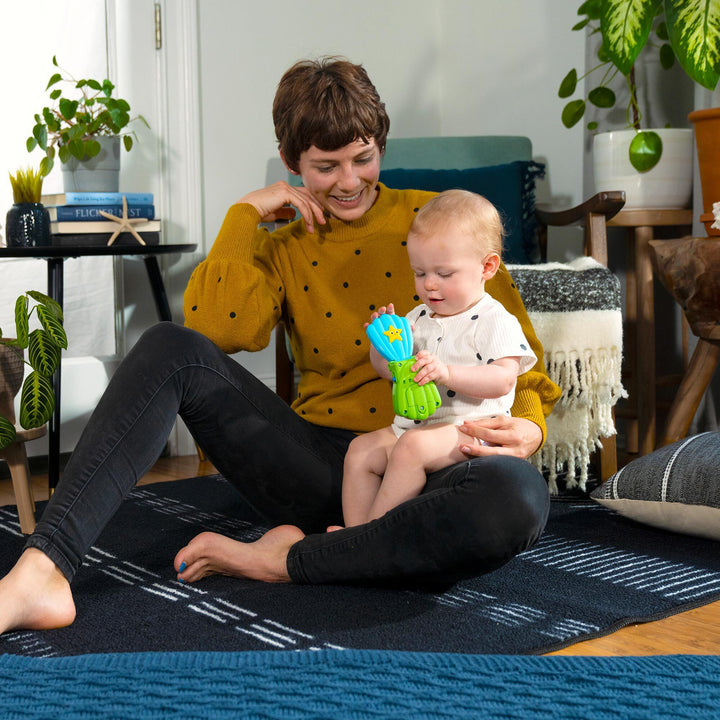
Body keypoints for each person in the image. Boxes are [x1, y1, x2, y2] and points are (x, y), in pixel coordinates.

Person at [0, 57, 560, 636]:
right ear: (293, 164)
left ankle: (284, 561)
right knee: (170, 344)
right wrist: (244, 216)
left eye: (363, 159)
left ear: (381, 148)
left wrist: (531, 429)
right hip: (322, 469)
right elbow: (218, 330)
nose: (348, 181)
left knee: (516, 497)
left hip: (433, 460)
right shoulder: (284, 244)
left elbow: (523, 370)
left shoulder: (445, 223)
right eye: (325, 166)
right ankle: (42, 571)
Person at [339, 190, 537, 528]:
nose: (430, 285)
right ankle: (355, 534)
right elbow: (390, 372)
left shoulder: (496, 320)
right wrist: (382, 347)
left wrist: (446, 372)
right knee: (360, 451)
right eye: (419, 273)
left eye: (444, 274)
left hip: (469, 429)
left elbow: (503, 379)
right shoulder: (417, 317)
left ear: (487, 267)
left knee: (412, 448)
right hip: (415, 427)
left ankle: (369, 537)